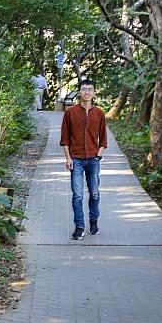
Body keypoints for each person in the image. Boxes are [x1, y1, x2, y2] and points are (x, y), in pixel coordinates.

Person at [60, 79, 107, 240]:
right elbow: (65, 138)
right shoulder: (70, 113)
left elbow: (104, 139)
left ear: (94, 93)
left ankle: (94, 221)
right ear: (79, 92)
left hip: (93, 160)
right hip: (76, 160)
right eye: (84, 89)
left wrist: (98, 154)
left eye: (90, 89)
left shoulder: (99, 113)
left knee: (94, 193)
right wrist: (68, 158)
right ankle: (79, 227)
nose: (87, 92)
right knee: (77, 195)